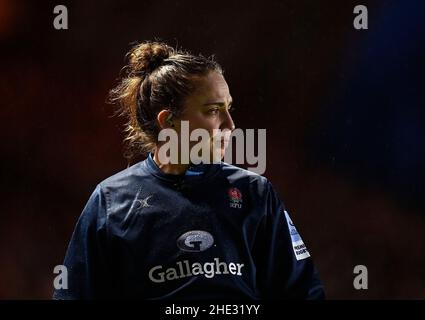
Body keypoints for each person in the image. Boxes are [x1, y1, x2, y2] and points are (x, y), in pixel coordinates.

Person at [53, 41, 325, 299]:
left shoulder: (255, 193)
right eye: (212, 111)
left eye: (228, 108)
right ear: (168, 120)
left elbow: (303, 293)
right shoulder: (111, 201)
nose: (229, 125)